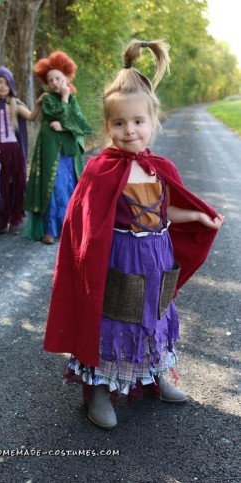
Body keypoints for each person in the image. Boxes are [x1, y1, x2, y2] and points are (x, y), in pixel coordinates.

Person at [43, 39, 225, 429]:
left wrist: (197, 214)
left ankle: (155, 375)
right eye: (119, 123)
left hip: (156, 257)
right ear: (108, 126)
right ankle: (99, 389)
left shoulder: (158, 167)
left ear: (153, 122)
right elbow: (86, 224)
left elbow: (164, 210)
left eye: (138, 122)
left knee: (153, 316)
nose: (129, 131)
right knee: (114, 318)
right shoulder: (100, 169)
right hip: (119, 260)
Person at [22, 51, 93, 244]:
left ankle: (69, 229)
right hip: (51, 150)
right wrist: (63, 100)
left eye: (58, 78)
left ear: (67, 78)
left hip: (68, 153)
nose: (54, 82)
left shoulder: (73, 100)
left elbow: (82, 125)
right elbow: (56, 113)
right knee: (52, 187)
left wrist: (65, 126)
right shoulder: (48, 99)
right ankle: (50, 230)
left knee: (70, 187)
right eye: (50, 79)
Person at [0, 66, 46, 234]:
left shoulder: (15, 104)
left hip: (11, 151)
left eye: (6, 83)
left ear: (10, 85)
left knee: (9, 184)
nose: (2, 86)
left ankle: (5, 218)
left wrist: (38, 103)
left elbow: (31, 117)